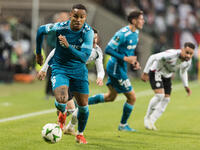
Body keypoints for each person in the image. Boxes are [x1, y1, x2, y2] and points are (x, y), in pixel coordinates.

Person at [77, 10, 145, 132]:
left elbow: (128, 52)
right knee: (132, 97)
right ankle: (123, 125)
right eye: (141, 19)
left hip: (121, 68)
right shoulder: (123, 34)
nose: (143, 21)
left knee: (111, 97)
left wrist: (134, 61)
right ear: (134, 21)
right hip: (116, 69)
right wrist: (125, 58)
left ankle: (81, 103)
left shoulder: (136, 33)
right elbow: (108, 49)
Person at [36, 4, 94, 144]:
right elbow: (40, 30)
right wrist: (38, 53)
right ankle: (62, 114)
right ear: (70, 16)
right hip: (60, 68)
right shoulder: (60, 27)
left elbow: (84, 57)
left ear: (85, 18)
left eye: (81, 17)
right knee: (62, 98)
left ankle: (79, 134)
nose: (78, 20)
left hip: (79, 71)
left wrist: (68, 47)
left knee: (83, 107)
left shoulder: (88, 32)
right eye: (75, 16)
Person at [37, 28, 105, 135]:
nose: (94, 41)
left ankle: (69, 127)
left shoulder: (97, 51)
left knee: (75, 110)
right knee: (66, 103)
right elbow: (54, 51)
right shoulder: (76, 44)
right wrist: (44, 69)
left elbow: (100, 68)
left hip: (78, 75)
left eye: (96, 38)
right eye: (92, 38)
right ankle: (62, 117)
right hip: (63, 71)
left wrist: (100, 77)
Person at [141, 42, 195, 130]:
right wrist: (145, 72)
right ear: (182, 50)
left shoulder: (187, 62)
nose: (188, 56)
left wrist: (186, 86)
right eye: (187, 52)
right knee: (159, 95)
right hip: (156, 72)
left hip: (167, 76)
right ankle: (147, 117)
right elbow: (152, 57)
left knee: (166, 99)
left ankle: (152, 120)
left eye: (191, 54)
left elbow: (183, 71)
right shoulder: (171, 54)